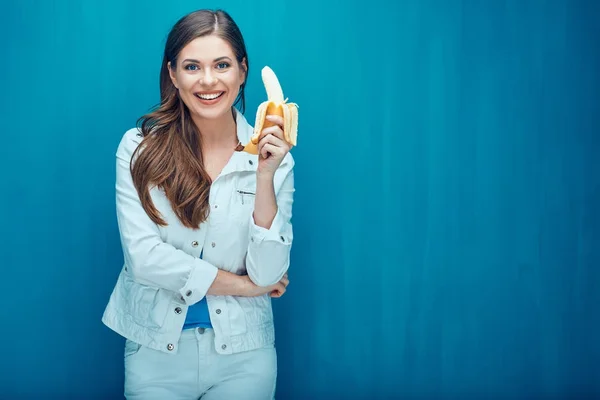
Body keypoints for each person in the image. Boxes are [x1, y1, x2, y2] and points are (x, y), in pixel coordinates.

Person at [101, 8, 295, 399]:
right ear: (173, 74)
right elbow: (144, 259)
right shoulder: (138, 149)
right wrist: (244, 286)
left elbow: (270, 269)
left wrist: (264, 176)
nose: (208, 81)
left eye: (222, 65)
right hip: (155, 352)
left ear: (242, 71)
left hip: (244, 354)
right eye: (192, 66)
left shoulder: (275, 157)